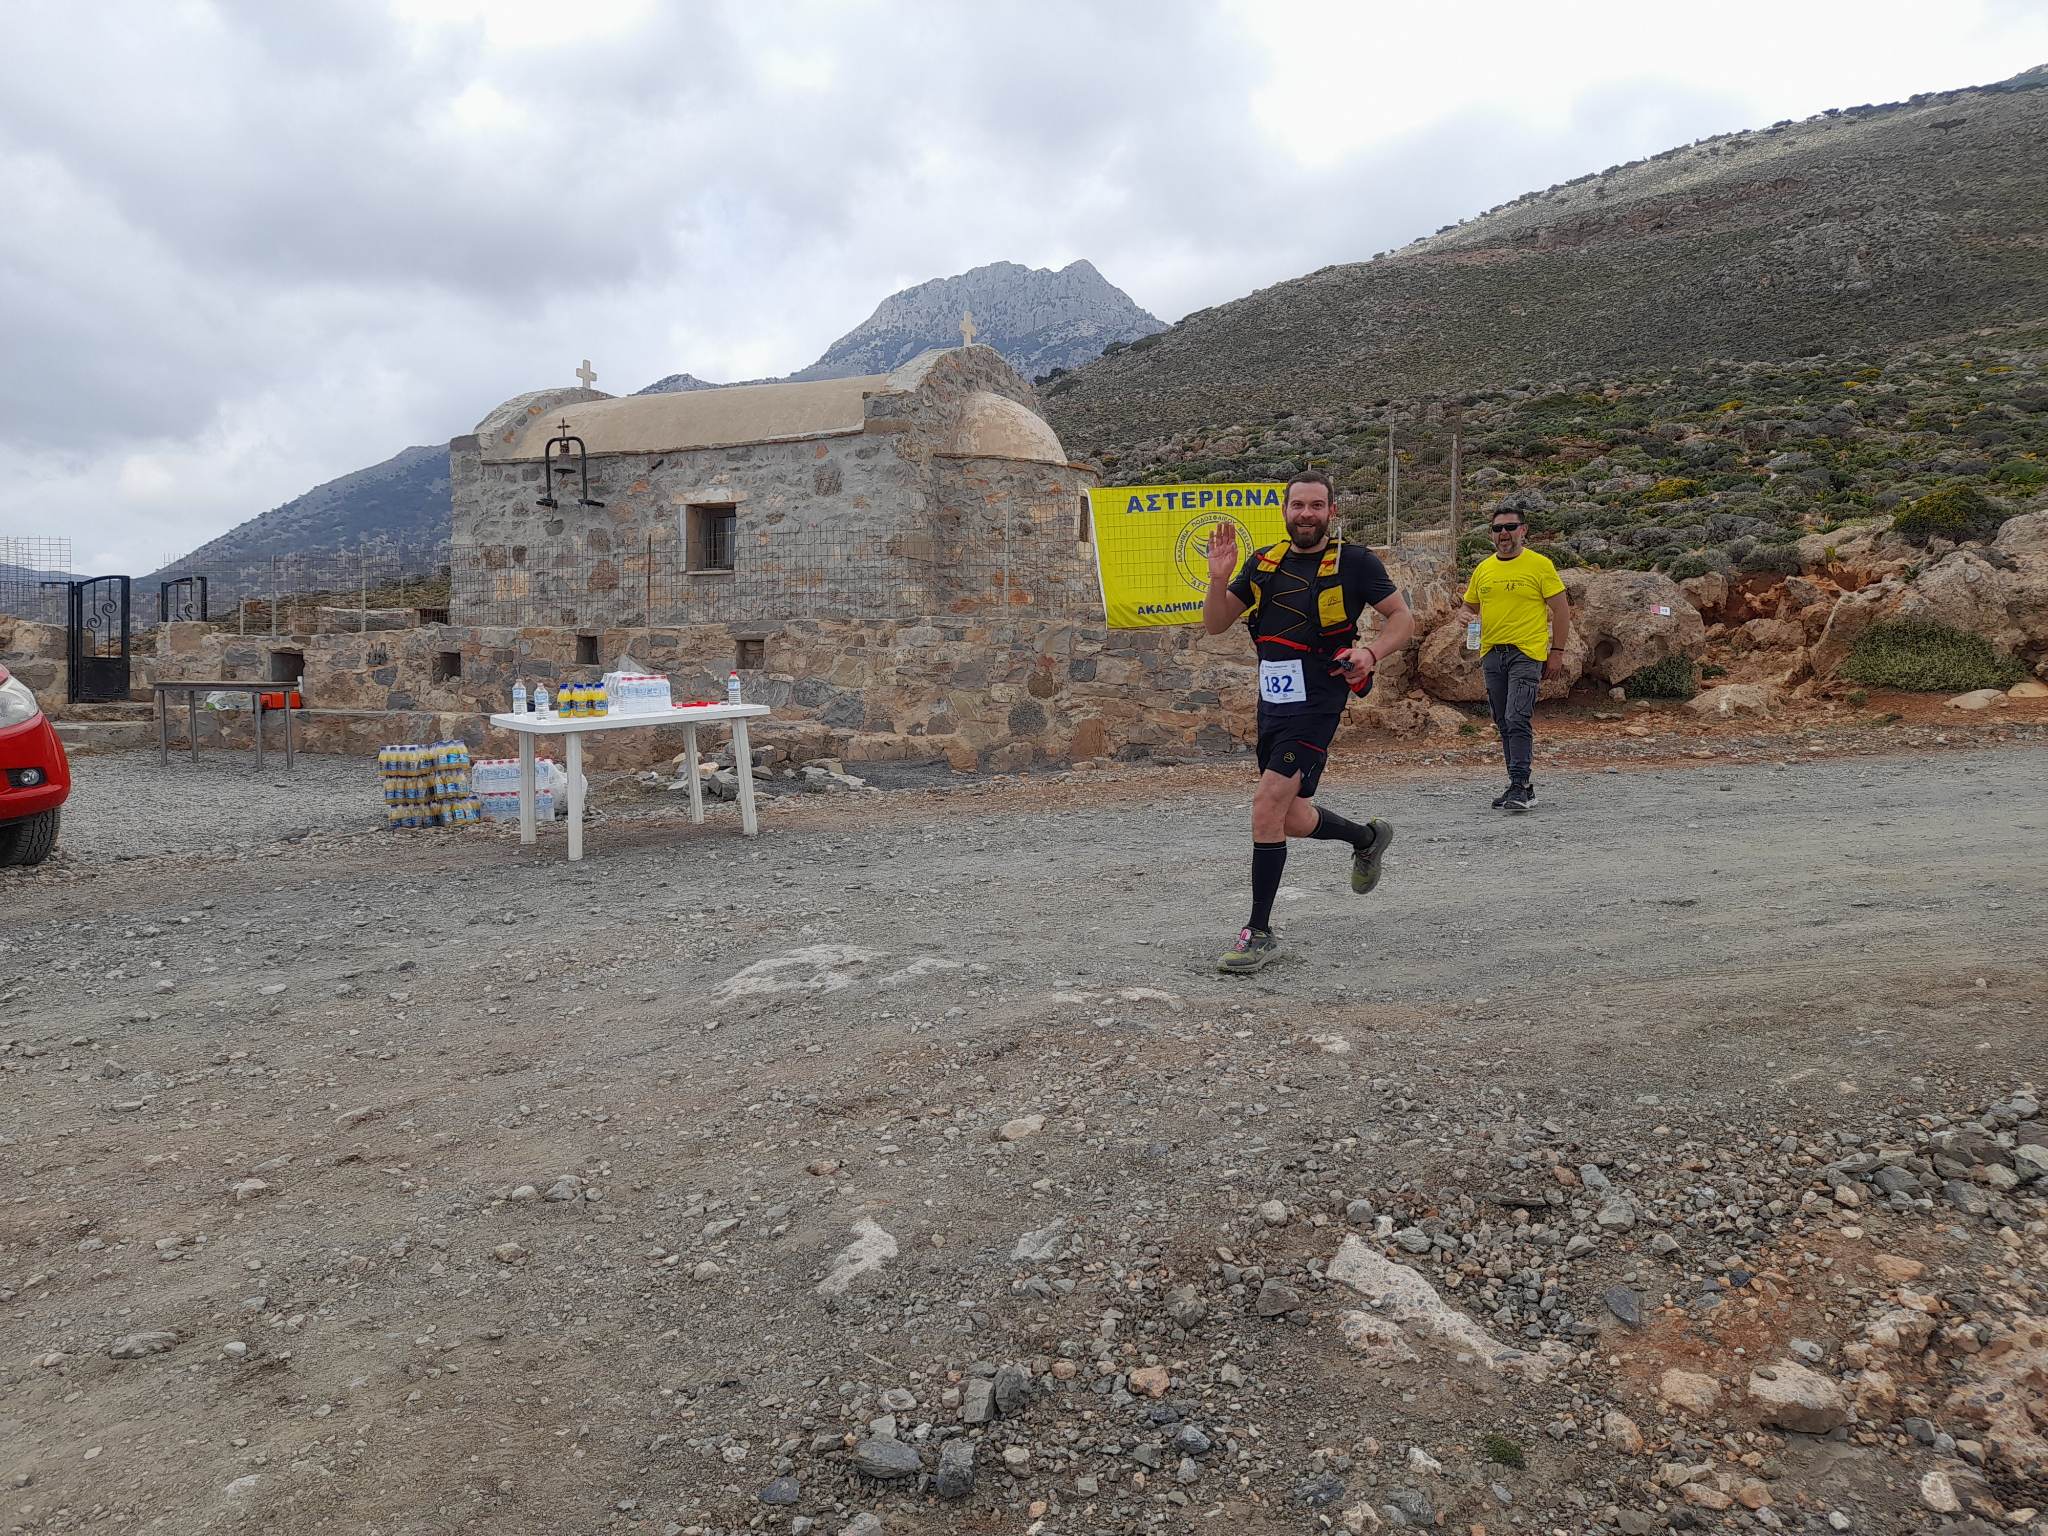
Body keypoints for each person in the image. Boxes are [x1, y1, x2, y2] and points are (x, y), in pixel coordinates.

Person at [1201, 469, 1416, 974]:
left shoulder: (1356, 562)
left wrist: (1370, 653)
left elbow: (1402, 619)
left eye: (1316, 506)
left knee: (1265, 805)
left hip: (1319, 700)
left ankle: (1259, 932)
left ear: (1331, 512)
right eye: (1298, 505)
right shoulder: (1264, 563)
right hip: (1274, 704)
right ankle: (1366, 839)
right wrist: (1218, 578)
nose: (1306, 514)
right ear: (1285, 510)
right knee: (1291, 819)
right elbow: (1215, 623)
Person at [1454, 508, 1571, 811]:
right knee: (1503, 720)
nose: (1503, 534)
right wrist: (1464, 615)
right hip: (1492, 653)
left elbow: (1561, 610)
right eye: (1497, 529)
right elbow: (1468, 606)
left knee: (1517, 716)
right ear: (1491, 534)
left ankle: (1520, 785)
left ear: (1523, 530)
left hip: (1526, 653)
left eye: (1510, 527)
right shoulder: (1484, 569)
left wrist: (1557, 652)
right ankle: (1518, 786)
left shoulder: (1540, 565)